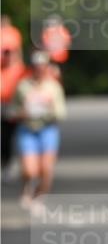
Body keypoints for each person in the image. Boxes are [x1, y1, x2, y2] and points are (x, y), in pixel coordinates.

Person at [11, 50, 66, 210]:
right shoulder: (23, 85)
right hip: (27, 128)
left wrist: (47, 111)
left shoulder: (53, 87)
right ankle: (26, 188)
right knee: (29, 170)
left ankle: (39, 196)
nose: (39, 69)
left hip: (47, 129)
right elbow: (12, 110)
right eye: (36, 66)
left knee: (46, 169)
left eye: (42, 66)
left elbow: (61, 112)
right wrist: (22, 112)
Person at [1, 16, 28, 176]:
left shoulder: (19, 69)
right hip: (2, 104)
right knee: (5, 136)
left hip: (13, 105)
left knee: (13, 135)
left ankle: (13, 163)